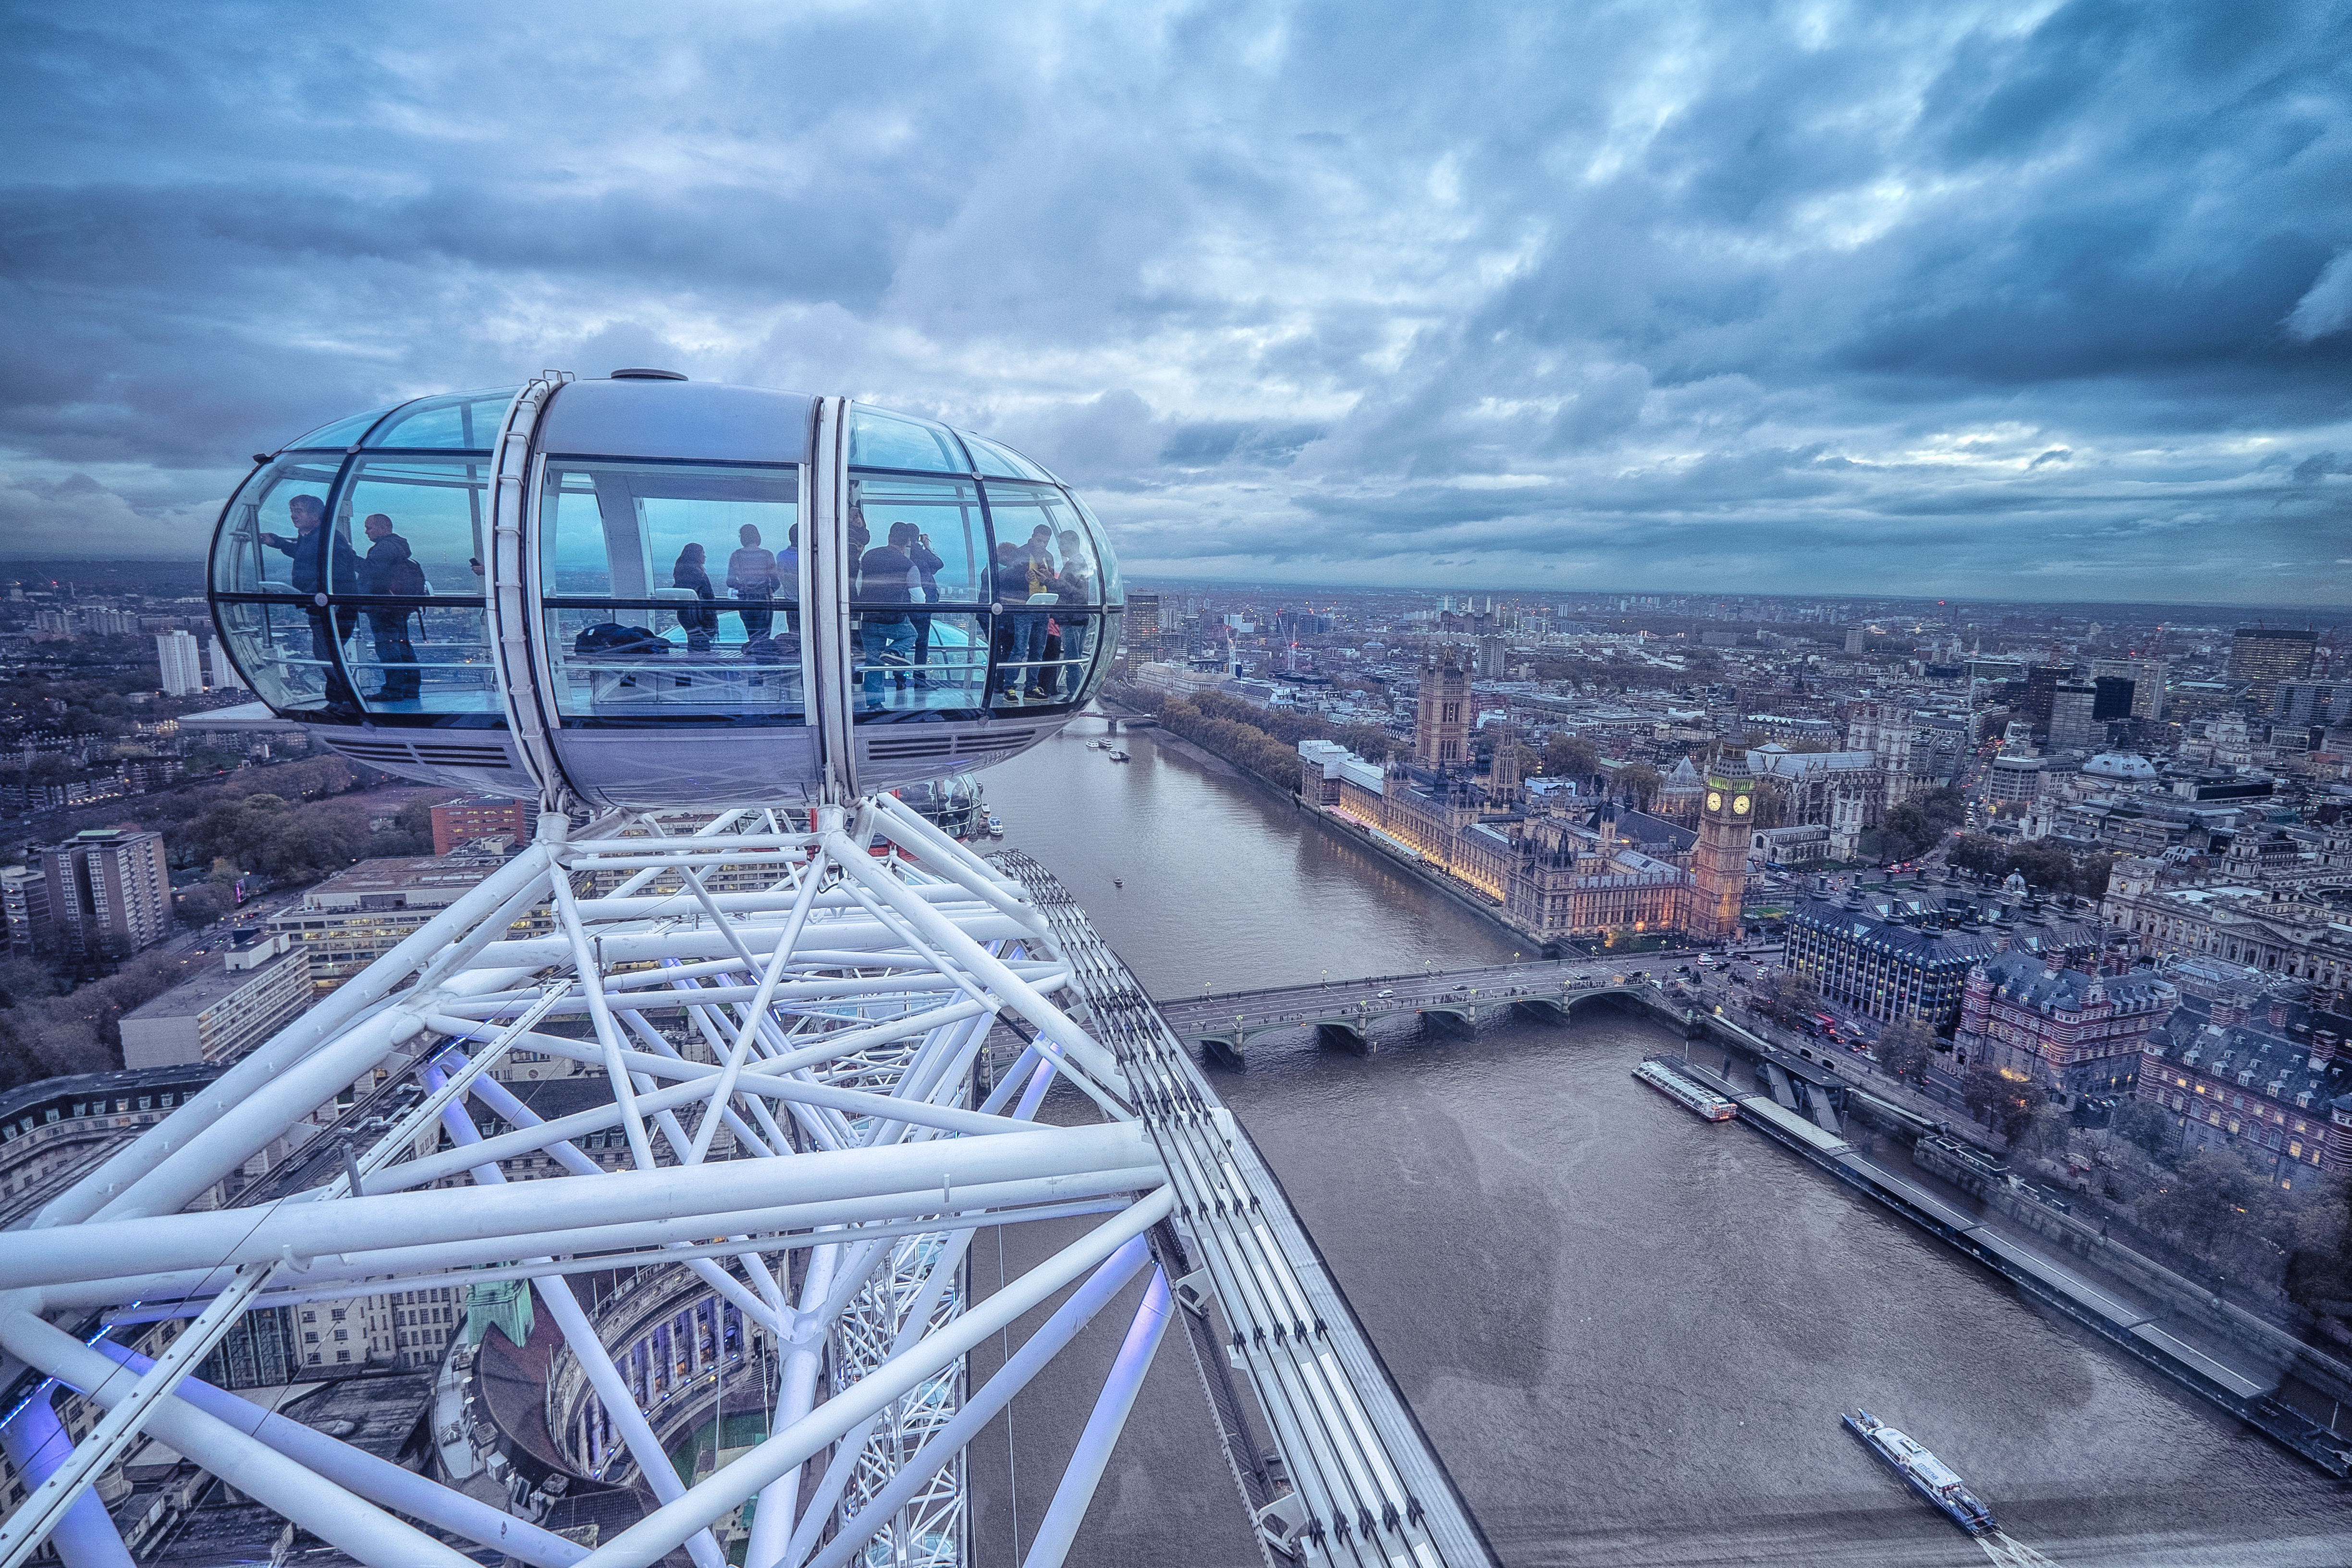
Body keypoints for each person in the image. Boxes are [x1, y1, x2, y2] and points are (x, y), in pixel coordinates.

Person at [260, 493, 360, 708]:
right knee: (328, 653)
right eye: (292, 511)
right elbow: (304, 554)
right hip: (325, 604)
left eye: (299, 511)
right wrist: (278, 542)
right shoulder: (314, 536)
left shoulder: (327, 538)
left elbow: (341, 569)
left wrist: (319, 595)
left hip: (331, 606)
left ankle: (347, 701)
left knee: (327, 654)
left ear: (316, 515)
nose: (293, 516)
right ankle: (339, 701)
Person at [357, 513, 423, 701]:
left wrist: (350, 558)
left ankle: (393, 690)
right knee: (403, 646)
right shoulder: (399, 547)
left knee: (387, 647)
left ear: (384, 527)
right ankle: (411, 688)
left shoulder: (382, 549)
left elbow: (371, 573)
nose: (366, 532)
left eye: (369, 527)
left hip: (383, 608)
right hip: (399, 607)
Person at [856, 523, 919, 708]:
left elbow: (859, 585)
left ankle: (875, 703)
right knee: (911, 635)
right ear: (907, 542)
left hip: (868, 616)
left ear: (889, 537)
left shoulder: (869, 556)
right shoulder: (908, 565)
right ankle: (892, 652)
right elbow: (918, 597)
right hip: (894, 617)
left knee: (873, 660)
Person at [906, 525, 944, 689]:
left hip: (905, 603)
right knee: (922, 644)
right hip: (923, 604)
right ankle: (920, 681)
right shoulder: (921, 553)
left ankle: (900, 679)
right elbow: (939, 564)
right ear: (917, 537)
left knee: (903, 640)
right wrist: (927, 546)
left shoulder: (903, 554)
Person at [726, 524, 779, 638]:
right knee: (764, 636)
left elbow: (730, 582)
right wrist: (765, 591)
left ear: (743, 538)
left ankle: (753, 653)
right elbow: (776, 583)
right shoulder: (767, 555)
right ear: (757, 536)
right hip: (764, 601)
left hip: (745, 601)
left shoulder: (736, 556)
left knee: (752, 636)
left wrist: (744, 587)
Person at [672, 542, 718, 653]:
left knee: (695, 645)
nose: (705, 556)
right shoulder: (698, 576)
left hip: (689, 617)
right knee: (701, 648)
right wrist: (710, 621)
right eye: (703, 553)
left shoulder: (682, 575)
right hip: (699, 618)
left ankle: (695, 666)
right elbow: (707, 599)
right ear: (696, 555)